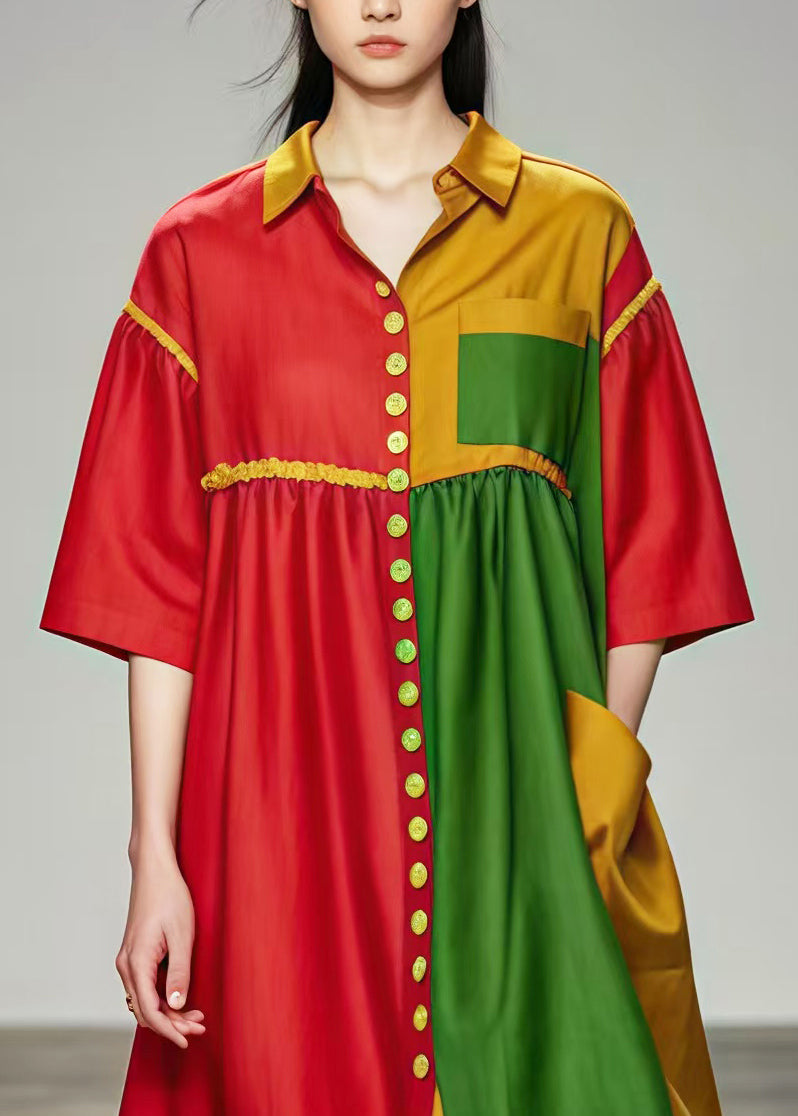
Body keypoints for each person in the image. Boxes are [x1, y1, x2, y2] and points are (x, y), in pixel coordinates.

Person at [38, 1, 755, 1114]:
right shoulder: (199, 252)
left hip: (518, 814)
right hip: (275, 821)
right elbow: (155, 595)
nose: (379, 4)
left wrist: (589, 789)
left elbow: (652, 544)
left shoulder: (579, 231)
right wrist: (158, 857)